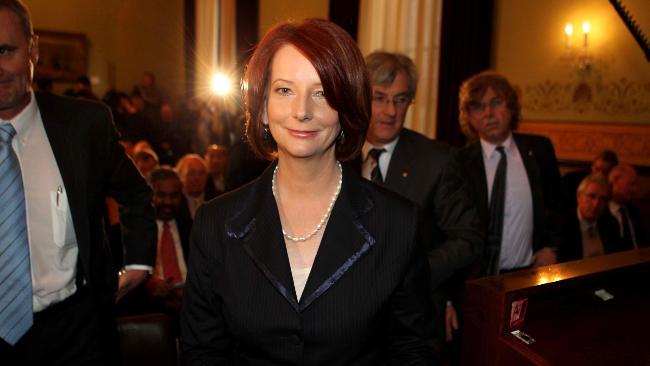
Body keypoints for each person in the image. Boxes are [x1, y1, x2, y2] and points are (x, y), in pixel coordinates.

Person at [181, 18, 437, 365]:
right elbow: (203, 353)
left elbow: (412, 350)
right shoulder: (215, 224)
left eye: (322, 93)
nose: (302, 111)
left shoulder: (398, 223)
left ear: (346, 108)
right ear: (263, 108)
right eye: (285, 90)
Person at [0, 1, 156, 364]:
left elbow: (135, 194)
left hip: (73, 331)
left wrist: (138, 262)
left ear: (32, 49)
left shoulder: (83, 126)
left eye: (5, 51)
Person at [361, 51, 483, 352]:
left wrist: (414, 275)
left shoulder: (437, 160)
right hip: (346, 326)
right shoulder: (335, 152)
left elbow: (469, 238)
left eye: (400, 99)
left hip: (411, 325)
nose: (390, 110)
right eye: (379, 97)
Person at [446, 71, 567, 356]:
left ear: (511, 107)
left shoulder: (539, 149)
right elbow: (448, 231)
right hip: (476, 284)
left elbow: (561, 204)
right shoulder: (458, 162)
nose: (488, 113)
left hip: (529, 280)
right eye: (478, 106)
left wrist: (552, 247)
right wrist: (447, 299)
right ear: (469, 116)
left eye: (496, 102)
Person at [559, 174, 627, 261]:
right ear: (578, 196)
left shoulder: (610, 223)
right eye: (591, 196)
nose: (596, 204)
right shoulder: (562, 224)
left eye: (603, 199)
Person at [608, 164, 647, 248]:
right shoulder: (600, 210)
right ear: (615, 181)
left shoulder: (633, 209)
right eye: (631, 184)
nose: (635, 189)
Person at [175, 153, 210, 218]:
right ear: (180, 176)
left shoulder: (216, 199)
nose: (197, 178)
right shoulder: (174, 202)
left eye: (201, 173)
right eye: (191, 173)